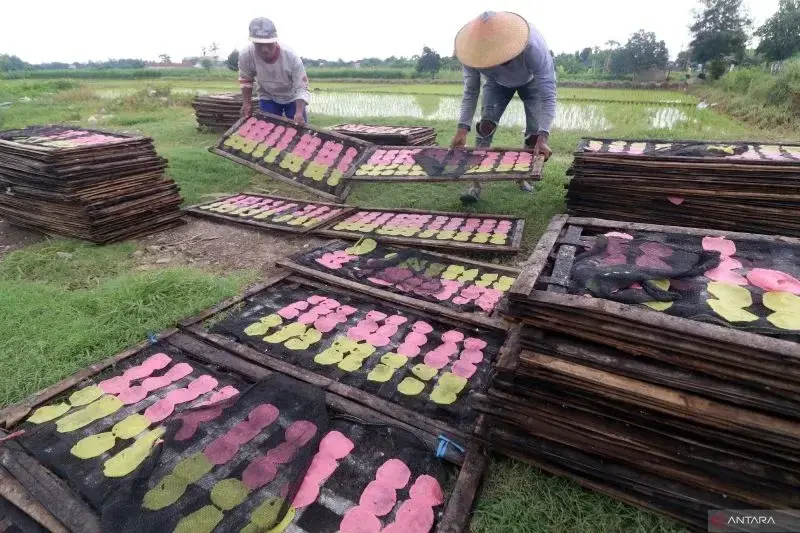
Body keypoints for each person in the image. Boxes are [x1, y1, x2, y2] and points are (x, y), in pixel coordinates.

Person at [451, 11, 557, 203]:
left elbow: (548, 93)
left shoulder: (533, 46)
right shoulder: (470, 53)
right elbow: (471, 91)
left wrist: (544, 136)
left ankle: (522, 177)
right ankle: (476, 182)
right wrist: (462, 128)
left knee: (534, 135)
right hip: (496, 84)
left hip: (531, 82)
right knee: (485, 126)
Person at [238, 17, 311, 125]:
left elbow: (301, 87)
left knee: (298, 129)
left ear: (275, 41)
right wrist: (246, 103)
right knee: (268, 127)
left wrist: (299, 112)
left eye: (268, 44)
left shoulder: (291, 56)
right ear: (253, 42)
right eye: (259, 45)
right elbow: (246, 80)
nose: (264, 49)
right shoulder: (246, 55)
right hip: (267, 95)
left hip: (292, 96)